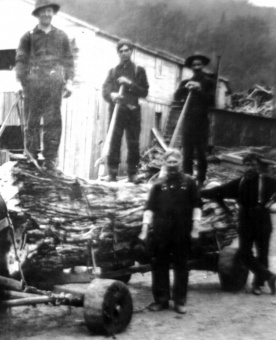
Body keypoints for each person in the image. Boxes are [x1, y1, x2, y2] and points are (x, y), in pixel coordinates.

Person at [201, 153, 276, 296]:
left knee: (263, 253)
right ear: (243, 166)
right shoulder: (239, 183)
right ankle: (269, 277)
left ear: (257, 166)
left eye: (253, 165)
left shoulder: (267, 181)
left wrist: (270, 202)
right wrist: (198, 193)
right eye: (247, 164)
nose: (250, 168)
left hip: (262, 220)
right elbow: (219, 191)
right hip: (245, 220)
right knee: (244, 253)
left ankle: (258, 285)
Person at [138, 149, 201, 314]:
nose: (172, 165)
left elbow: (197, 206)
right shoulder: (158, 184)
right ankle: (161, 300)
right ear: (165, 163)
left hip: (182, 230)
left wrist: (195, 227)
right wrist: (145, 229)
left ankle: (180, 301)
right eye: (169, 162)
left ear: (180, 162)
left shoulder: (189, 182)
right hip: (161, 231)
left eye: (175, 162)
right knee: (159, 265)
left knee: (181, 265)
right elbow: (149, 208)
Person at [15, 0, 74, 173]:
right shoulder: (28, 36)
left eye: (49, 11)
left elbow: (68, 61)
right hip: (33, 82)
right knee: (31, 120)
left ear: (52, 13)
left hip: (54, 82)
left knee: (53, 121)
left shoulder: (61, 36)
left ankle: (50, 159)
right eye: (43, 11)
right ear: (38, 14)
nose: (47, 14)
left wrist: (69, 81)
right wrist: (19, 82)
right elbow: (21, 60)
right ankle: (31, 155)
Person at [102, 39, 149, 183]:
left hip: (132, 111)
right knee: (114, 142)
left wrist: (129, 84)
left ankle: (132, 174)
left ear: (131, 51)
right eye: (121, 51)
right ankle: (112, 174)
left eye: (126, 50)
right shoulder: (113, 71)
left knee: (133, 142)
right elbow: (105, 90)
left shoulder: (138, 71)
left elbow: (144, 92)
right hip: (116, 111)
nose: (123, 53)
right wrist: (112, 95)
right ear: (118, 53)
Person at [174, 52, 215, 189]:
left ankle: (200, 180)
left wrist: (199, 89)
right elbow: (176, 96)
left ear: (203, 65)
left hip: (202, 122)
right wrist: (185, 88)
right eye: (194, 65)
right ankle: (187, 179)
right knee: (187, 153)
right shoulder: (186, 82)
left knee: (201, 153)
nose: (196, 67)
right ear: (191, 67)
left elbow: (211, 101)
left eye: (199, 64)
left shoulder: (208, 82)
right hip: (188, 121)